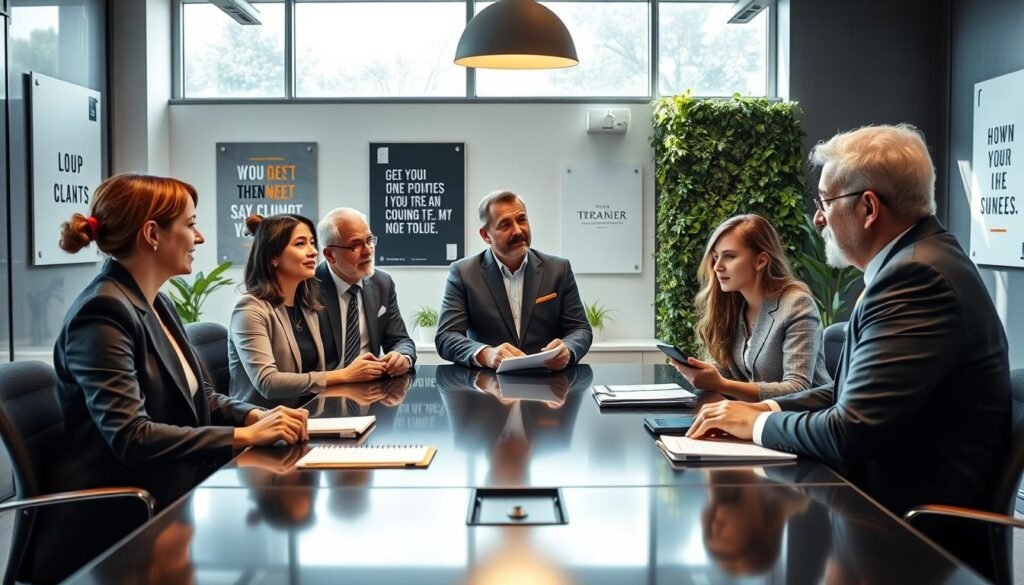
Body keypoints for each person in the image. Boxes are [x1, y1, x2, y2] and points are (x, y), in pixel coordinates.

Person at [685, 124, 1011, 579]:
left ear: (868, 207)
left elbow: (849, 431)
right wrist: (762, 407)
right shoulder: (915, 263)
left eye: (824, 202)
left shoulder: (917, 279)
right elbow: (841, 395)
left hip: (908, 537)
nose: (818, 218)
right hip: (879, 511)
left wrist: (757, 421)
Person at [33, 174, 309, 584]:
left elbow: (202, 399)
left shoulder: (155, 301)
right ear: (152, 234)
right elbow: (131, 435)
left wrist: (254, 418)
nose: (198, 238)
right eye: (190, 224)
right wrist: (244, 438)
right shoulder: (102, 314)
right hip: (118, 526)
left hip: (170, 498)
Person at [228, 214, 386, 409]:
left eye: (312, 243)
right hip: (263, 424)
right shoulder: (249, 309)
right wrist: (345, 374)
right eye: (300, 244)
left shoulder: (307, 307)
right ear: (273, 257)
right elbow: (268, 383)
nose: (312, 252)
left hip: (308, 415)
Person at [672, 214, 831, 401]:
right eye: (715, 257)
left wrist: (719, 384)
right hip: (755, 416)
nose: (717, 267)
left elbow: (797, 388)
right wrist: (703, 372)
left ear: (761, 261)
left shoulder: (796, 304)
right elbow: (731, 371)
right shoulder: (735, 305)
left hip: (807, 421)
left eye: (729, 256)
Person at [436, 190, 592, 370]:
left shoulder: (558, 269)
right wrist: (487, 354)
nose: (518, 231)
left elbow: (580, 329)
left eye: (521, 220)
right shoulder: (463, 273)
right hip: (489, 387)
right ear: (486, 235)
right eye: (505, 225)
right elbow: (446, 337)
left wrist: (568, 349)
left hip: (550, 383)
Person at [315, 207, 416, 375]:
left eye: (369, 240)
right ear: (330, 255)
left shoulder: (382, 283)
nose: (368, 251)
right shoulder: (307, 287)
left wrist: (402, 356)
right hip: (325, 391)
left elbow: (400, 339)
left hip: (370, 388)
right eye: (356, 245)